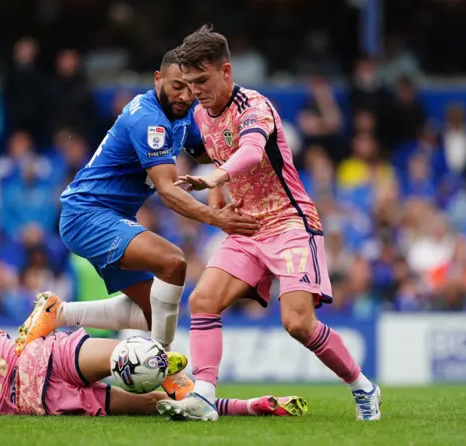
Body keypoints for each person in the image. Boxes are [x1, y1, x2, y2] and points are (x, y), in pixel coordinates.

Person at [155, 26, 381, 421]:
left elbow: (251, 151)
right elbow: (218, 156)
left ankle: (363, 388)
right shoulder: (200, 113)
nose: (196, 91)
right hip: (246, 227)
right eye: (190, 83)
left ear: (227, 71)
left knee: (297, 323)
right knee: (203, 300)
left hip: (290, 223)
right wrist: (217, 199)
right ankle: (205, 396)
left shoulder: (255, 107)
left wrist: (216, 177)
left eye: (202, 81)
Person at [16, 50, 260, 400]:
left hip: (105, 217)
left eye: (190, 88)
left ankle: (59, 312)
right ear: (158, 80)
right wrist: (214, 217)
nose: (185, 95)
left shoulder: (181, 113)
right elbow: (167, 190)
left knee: (153, 314)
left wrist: (232, 142)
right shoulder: (149, 120)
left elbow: (205, 151)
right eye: (177, 86)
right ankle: (162, 369)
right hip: (88, 214)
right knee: (174, 262)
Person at [0, 311, 308, 417]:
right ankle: (154, 363)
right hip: (43, 355)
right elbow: (3, 335)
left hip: (37, 400)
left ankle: (247, 405)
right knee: (127, 356)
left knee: (158, 407)